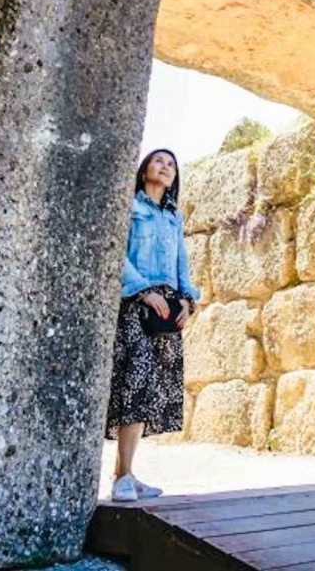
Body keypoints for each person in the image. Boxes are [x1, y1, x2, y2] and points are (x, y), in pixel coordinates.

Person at [105, 149, 199, 502]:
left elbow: (181, 265)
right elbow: (118, 253)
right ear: (144, 169)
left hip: (167, 308)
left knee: (148, 390)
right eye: (159, 161)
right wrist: (143, 291)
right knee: (135, 381)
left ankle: (125, 474)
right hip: (137, 303)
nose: (165, 166)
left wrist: (188, 301)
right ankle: (123, 477)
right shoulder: (130, 207)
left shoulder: (173, 218)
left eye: (171, 164)